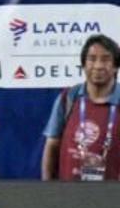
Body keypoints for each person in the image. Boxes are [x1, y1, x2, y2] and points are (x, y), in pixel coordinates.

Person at [44, 35, 120, 181]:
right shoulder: (68, 98)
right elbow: (52, 145)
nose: (98, 66)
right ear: (84, 65)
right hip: (69, 196)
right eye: (92, 59)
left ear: (116, 66)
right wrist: (48, 189)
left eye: (105, 59)